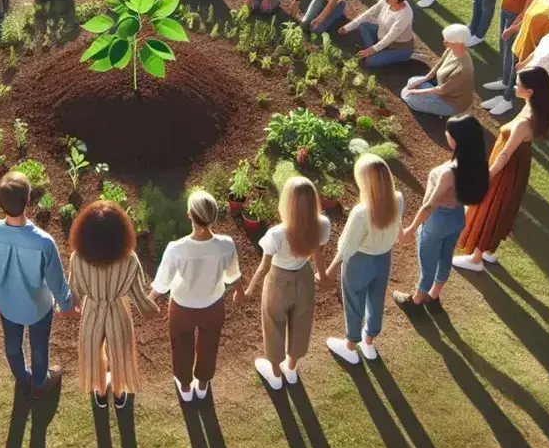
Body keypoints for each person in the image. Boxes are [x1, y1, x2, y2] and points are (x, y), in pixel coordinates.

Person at [0, 172, 76, 395]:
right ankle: (40, 383)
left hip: (7, 305)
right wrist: (67, 305)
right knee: (39, 347)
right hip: (38, 308)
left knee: (12, 344)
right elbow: (56, 282)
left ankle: (21, 376)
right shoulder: (43, 241)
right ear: (29, 200)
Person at [454, 67, 549, 270]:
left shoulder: (524, 123)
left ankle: (475, 259)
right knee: (501, 209)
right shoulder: (534, 108)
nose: (514, 86)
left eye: (519, 84)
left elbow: (506, 153)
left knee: (490, 208)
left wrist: (488, 174)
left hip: (506, 170)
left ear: (530, 91)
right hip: (517, 167)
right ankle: (489, 251)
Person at [151, 191, 242, 402]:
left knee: (182, 346)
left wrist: (148, 300)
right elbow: (232, 275)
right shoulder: (226, 244)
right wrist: (240, 291)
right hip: (213, 306)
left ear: (189, 215)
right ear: (214, 216)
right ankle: (202, 385)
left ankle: (185, 388)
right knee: (210, 345)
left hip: (182, 307)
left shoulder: (176, 249)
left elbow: (162, 284)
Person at [67, 201, 158, 408]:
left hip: (92, 310)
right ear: (121, 232)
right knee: (121, 352)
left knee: (93, 350)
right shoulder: (130, 259)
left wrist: (67, 307)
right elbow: (137, 294)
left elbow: (74, 291)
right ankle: (118, 394)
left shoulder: (77, 258)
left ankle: (99, 392)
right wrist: (151, 309)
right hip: (118, 309)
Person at [391, 115, 488, 308]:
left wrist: (410, 229)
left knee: (427, 262)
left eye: (449, 133)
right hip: (457, 217)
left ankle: (417, 301)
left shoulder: (448, 173)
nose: (446, 134)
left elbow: (429, 205)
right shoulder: (476, 162)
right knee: (445, 257)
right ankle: (434, 296)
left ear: (457, 140)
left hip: (437, 221)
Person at [245, 176, 330, 390]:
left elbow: (263, 267)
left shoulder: (276, 234)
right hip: (304, 277)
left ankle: (275, 374)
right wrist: (324, 276)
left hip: (278, 280)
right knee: (302, 322)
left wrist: (248, 290)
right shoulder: (322, 224)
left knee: (274, 324)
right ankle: (291, 369)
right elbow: (318, 256)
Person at [324, 154, 402, 363]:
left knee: (353, 302)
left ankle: (350, 347)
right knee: (376, 300)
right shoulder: (398, 199)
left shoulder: (361, 212)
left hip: (360, 262)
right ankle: (368, 342)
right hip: (383, 259)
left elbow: (347, 247)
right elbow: (398, 230)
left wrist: (329, 270)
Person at [402, 23, 475, 117]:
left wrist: (416, 92)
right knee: (413, 81)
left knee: (411, 98)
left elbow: (442, 90)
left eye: (447, 40)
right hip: (439, 89)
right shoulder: (451, 50)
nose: (444, 41)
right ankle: (425, 97)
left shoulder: (463, 69)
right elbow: (439, 65)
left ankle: (437, 109)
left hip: (451, 102)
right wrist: (424, 79)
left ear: (457, 42)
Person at [339, 0, 415, 67]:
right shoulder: (387, 0)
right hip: (381, 35)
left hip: (398, 47)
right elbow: (370, 13)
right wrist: (347, 28)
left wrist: (371, 51)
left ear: (397, 0)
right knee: (363, 25)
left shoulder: (405, 15)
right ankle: (374, 51)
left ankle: (405, 56)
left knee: (371, 61)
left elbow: (390, 37)